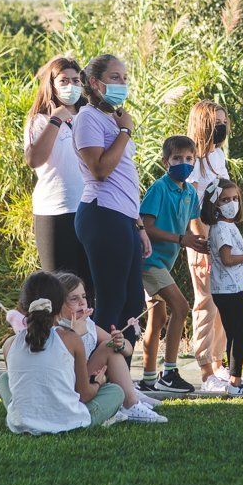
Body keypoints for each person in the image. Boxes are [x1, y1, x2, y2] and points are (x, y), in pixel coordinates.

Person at [72, 55, 151, 356]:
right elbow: (100, 169)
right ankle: (98, 380)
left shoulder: (112, 118)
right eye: (116, 77)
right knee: (111, 301)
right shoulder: (87, 117)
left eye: (125, 77)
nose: (123, 83)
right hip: (101, 213)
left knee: (132, 303)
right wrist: (126, 132)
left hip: (124, 217)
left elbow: (125, 178)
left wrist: (139, 225)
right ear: (95, 82)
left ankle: (123, 385)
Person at [0, 271, 124, 434]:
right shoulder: (71, 339)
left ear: (23, 305)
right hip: (68, 423)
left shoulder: (9, 344)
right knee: (115, 392)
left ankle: (26, 416)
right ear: (59, 305)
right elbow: (84, 395)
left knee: (4, 379)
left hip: (21, 423)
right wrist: (99, 382)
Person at [138, 135, 209, 394]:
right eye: (177, 158)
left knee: (158, 316)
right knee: (181, 307)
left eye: (189, 158)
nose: (184, 163)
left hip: (164, 263)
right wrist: (182, 239)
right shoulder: (159, 188)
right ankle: (169, 372)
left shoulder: (189, 191)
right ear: (165, 161)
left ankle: (147, 378)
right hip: (149, 261)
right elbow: (146, 227)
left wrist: (203, 246)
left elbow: (194, 224)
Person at [23, 55, 92, 303]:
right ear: (51, 84)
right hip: (54, 211)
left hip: (88, 209)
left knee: (88, 288)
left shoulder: (89, 116)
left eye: (76, 80)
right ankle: (56, 339)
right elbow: (34, 159)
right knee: (59, 289)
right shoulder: (39, 120)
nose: (71, 86)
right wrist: (57, 118)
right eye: (64, 80)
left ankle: (88, 340)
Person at [201, 179, 243, 397]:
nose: (232, 203)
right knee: (239, 333)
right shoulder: (222, 228)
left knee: (234, 333)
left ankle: (234, 379)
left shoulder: (225, 226)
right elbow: (227, 259)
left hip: (226, 288)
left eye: (235, 198)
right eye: (225, 200)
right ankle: (236, 382)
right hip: (229, 289)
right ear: (214, 204)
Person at [185, 100, 230, 390]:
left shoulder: (218, 155)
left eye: (224, 122)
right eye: (216, 122)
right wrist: (201, 243)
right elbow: (189, 205)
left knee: (223, 300)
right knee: (205, 301)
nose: (221, 127)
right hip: (201, 235)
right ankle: (204, 371)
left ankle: (218, 362)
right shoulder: (190, 159)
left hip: (222, 233)